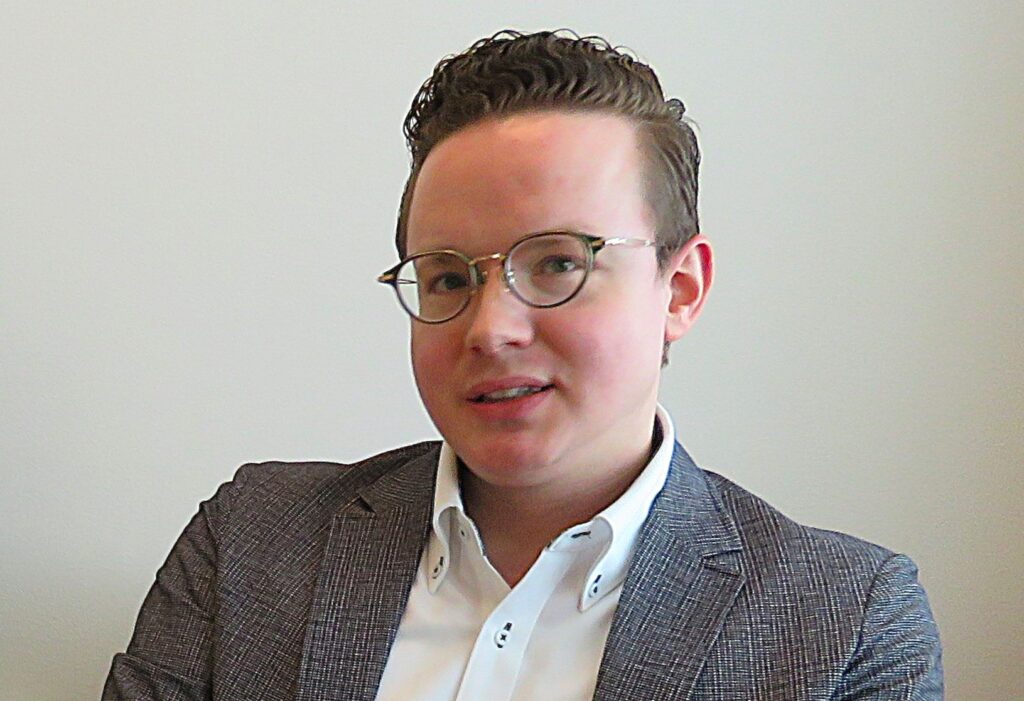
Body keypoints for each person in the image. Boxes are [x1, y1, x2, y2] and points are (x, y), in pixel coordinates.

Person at [103, 29, 943, 700]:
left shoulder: (846, 620)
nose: (491, 329)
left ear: (680, 289)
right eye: (447, 277)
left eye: (557, 263)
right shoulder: (252, 541)